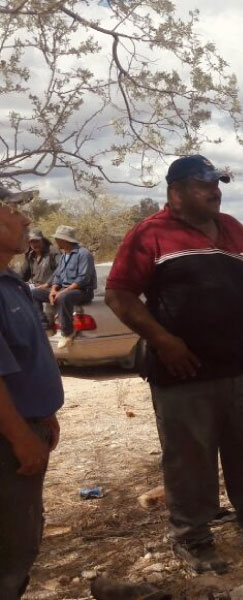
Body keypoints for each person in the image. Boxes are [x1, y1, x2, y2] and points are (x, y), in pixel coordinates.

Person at [104, 155, 243, 574]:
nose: (216, 191)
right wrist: (163, 340)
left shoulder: (232, 228)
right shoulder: (149, 235)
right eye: (204, 185)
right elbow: (119, 295)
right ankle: (192, 538)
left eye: (218, 184)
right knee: (188, 458)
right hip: (183, 371)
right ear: (175, 192)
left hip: (239, 367)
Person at [0, 194, 63, 598]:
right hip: (7, 441)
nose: (23, 218)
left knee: (22, 537)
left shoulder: (10, 282)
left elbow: (25, 359)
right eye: (9, 210)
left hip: (26, 427)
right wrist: (22, 437)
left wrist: (45, 414)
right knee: (9, 547)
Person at [30, 225, 96, 348]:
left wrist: (62, 292)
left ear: (64, 240)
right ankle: (45, 328)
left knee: (64, 297)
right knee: (34, 293)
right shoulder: (65, 255)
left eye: (57, 239)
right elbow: (57, 275)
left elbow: (83, 279)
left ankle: (67, 333)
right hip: (64, 289)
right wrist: (53, 289)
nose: (55, 242)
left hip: (82, 291)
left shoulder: (84, 254)